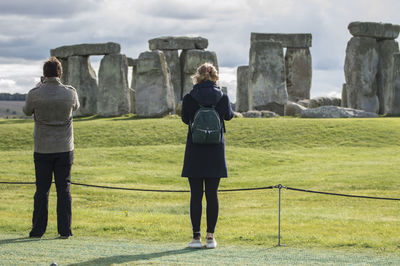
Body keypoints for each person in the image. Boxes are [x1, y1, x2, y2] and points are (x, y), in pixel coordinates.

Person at [23, 57, 80, 239]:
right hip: (64, 148)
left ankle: (37, 230)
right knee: (64, 190)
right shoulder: (70, 93)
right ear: (60, 73)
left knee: (42, 190)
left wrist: (40, 87)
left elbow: (26, 111)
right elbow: (76, 107)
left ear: (44, 74)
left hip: (42, 148)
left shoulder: (35, 93)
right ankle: (65, 231)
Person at [181, 62, 234, 248]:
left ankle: (196, 237)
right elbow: (228, 116)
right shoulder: (222, 97)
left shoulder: (189, 97)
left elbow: (185, 119)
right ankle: (210, 237)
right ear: (215, 76)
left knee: (195, 195)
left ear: (198, 75)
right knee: (212, 195)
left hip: (195, 150)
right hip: (215, 151)